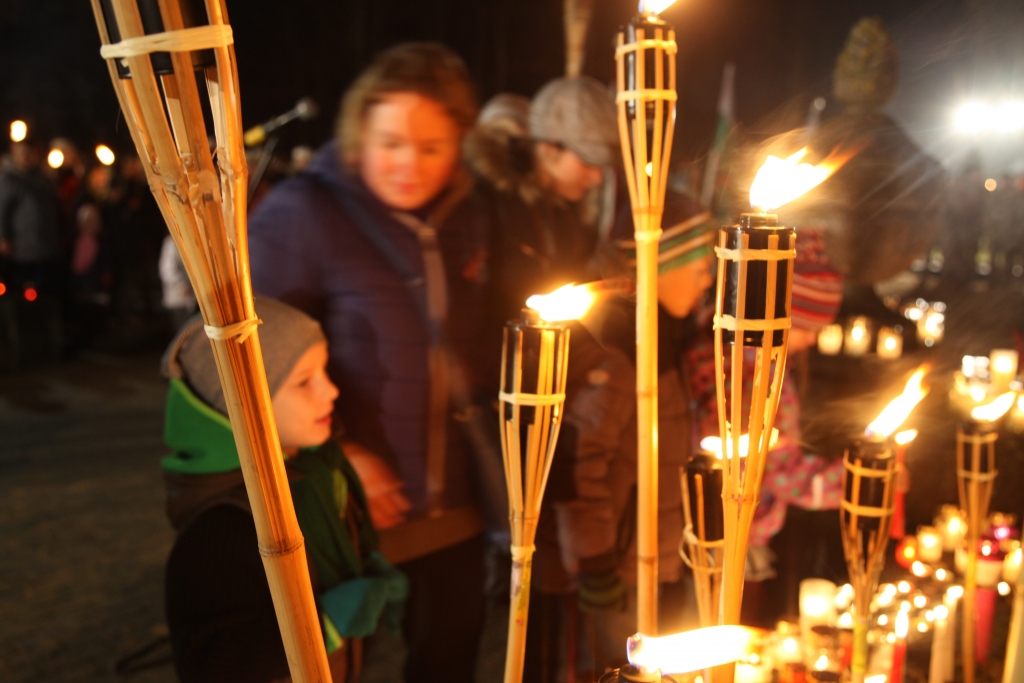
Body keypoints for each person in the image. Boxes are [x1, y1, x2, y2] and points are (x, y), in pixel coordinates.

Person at [248, 43, 489, 683]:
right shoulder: (305, 214)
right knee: (333, 664)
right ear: (359, 133)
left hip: (454, 497)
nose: (409, 165)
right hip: (348, 498)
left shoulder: (467, 217)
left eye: (431, 147)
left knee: (451, 652)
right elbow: (257, 359)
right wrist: (346, 449)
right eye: (391, 142)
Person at [162, 297, 407, 683]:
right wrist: (323, 624)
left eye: (324, 370)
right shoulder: (222, 530)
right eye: (304, 381)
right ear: (241, 403)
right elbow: (213, 667)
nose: (331, 391)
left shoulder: (318, 475)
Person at [523, 194, 713, 680]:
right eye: (697, 264)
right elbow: (579, 460)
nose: (707, 279)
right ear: (660, 266)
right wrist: (595, 562)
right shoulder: (620, 352)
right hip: (615, 565)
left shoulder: (665, 338)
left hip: (646, 556)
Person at [687, 227, 847, 626]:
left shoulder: (729, 355)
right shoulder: (751, 378)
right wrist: (852, 482)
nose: (812, 341)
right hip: (730, 531)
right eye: (808, 327)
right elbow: (775, 469)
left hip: (720, 526)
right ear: (780, 316)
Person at [467, 77, 619, 332]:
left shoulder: (567, 212)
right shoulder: (487, 202)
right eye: (587, 163)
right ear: (549, 149)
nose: (596, 178)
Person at [0, 136, 63, 299]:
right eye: (22, 153)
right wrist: (3, 237)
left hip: (45, 247)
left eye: (29, 152)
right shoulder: (9, 180)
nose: (26, 156)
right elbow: (2, 210)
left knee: (45, 295)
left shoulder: (40, 179)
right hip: (22, 251)